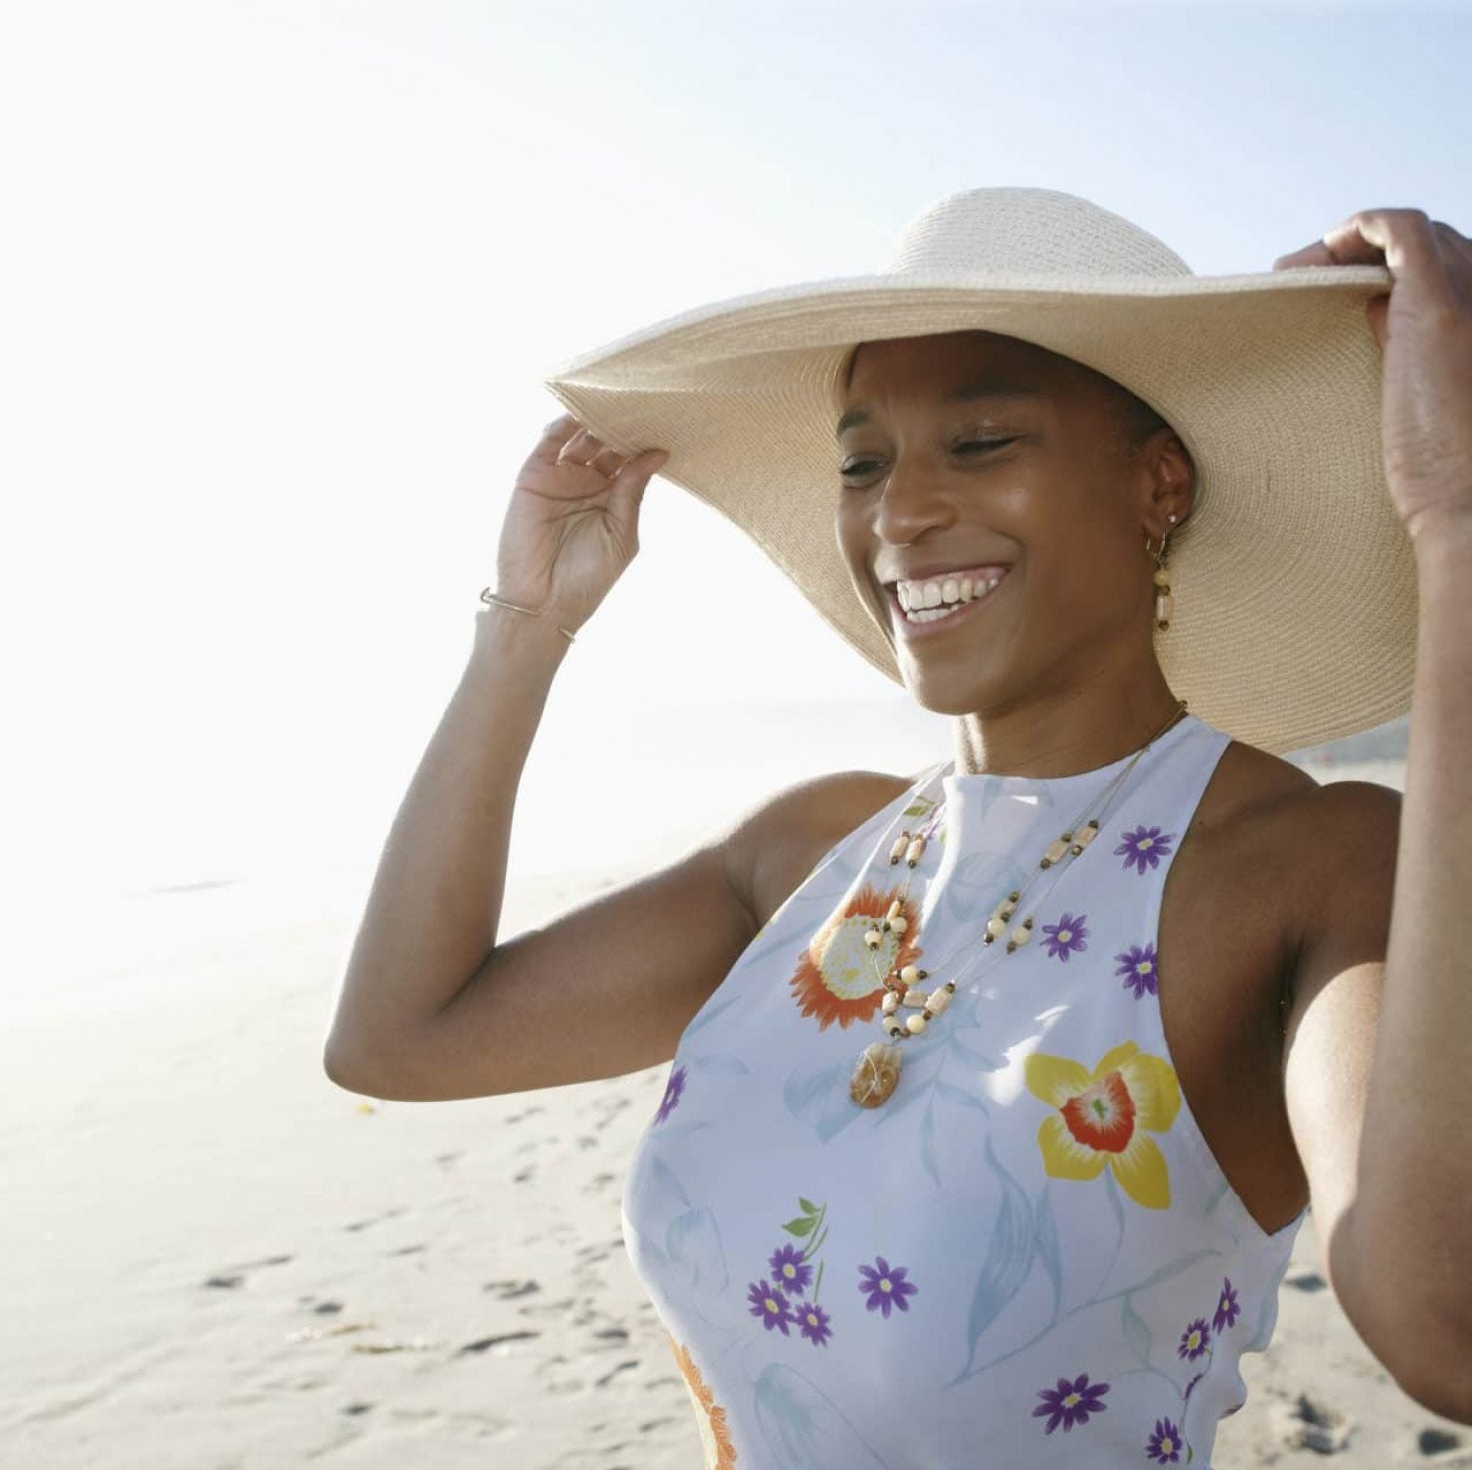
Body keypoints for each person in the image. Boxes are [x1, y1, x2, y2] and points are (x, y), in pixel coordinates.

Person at [323, 188, 1472, 1463]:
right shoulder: (813, 847)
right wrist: (523, 633)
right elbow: (399, 1037)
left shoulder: (1307, 866)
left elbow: (1444, 1329)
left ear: (1156, 482)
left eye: (979, 441)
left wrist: (1457, 520)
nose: (899, 512)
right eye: (861, 462)